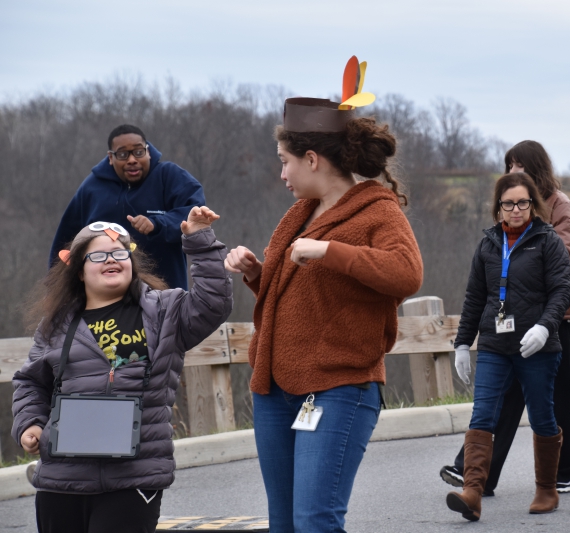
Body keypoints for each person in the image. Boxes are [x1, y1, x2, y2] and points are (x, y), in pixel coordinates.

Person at [223, 57, 424, 533]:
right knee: (285, 524)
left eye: (285, 162)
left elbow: (406, 274)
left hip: (338, 390)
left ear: (311, 159)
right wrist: (256, 274)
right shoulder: (298, 216)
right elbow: (298, 289)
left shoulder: (378, 210)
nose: (282, 174)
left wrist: (330, 250)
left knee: (316, 522)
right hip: (274, 390)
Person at [12, 207, 233, 533]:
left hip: (133, 478)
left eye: (120, 252)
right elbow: (31, 382)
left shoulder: (165, 311)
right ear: (78, 271)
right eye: (98, 256)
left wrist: (199, 240)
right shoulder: (57, 324)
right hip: (62, 478)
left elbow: (213, 303)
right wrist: (30, 423)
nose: (111, 259)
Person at [440, 140, 570, 495]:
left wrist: (544, 315)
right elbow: (479, 290)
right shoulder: (503, 222)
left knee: (559, 401)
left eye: (518, 166)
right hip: (511, 326)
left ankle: (568, 470)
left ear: (534, 168)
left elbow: (568, 265)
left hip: (552, 323)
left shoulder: (558, 206)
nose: (511, 172)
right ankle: (475, 475)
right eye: (508, 166)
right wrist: (464, 340)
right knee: (502, 399)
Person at [50, 124, 205, 290]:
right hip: (105, 300)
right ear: (110, 157)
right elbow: (66, 243)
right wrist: (57, 289)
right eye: (123, 154)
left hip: (165, 297)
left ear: (149, 152)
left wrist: (158, 224)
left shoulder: (169, 176)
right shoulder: (91, 189)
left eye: (139, 152)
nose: (132, 160)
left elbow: (194, 212)